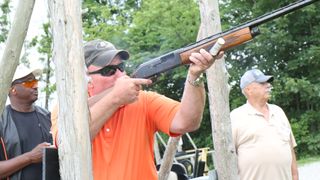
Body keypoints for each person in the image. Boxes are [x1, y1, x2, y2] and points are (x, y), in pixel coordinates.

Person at [51, 39, 223, 180]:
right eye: (109, 70)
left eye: (121, 68)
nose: (120, 75)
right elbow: (70, 144)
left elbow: (187, 122)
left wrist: (195, 76)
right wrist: (115, 99)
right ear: (85, 78)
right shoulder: (66, 110)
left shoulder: (143, 100)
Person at [230, 69, 299, 180]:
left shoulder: (278, 111)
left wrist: (295, 177)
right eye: (262, 83)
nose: (268, 85)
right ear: (248, 90)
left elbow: (290, 149)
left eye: (267, 82)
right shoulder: (235, 117)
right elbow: (227, 157)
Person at [0, 65, 52, 180]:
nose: (35, 87)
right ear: (13, 90)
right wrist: (30, 157)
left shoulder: (48, 116)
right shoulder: (2, 122)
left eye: (36, 82)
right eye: (29, 83)